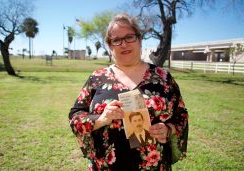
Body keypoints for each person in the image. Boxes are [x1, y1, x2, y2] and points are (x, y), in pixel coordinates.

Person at [69, 13, 188, 171]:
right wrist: (101, 119)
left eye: (129, 37)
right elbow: (75, 115)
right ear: (110, 46)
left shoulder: (164, 78)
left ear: (139, 40)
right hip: (106, 166)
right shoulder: (97, 78)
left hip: (154, 166)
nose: (124, 44)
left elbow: (181, 115)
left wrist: (168, 129)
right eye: (116, 40)